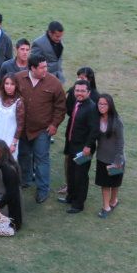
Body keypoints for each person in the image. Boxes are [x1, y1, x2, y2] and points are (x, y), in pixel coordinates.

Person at [13, 54, 66, 203]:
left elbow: (61, 106)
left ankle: (43, 189)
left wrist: (54, 124)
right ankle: (25, 180)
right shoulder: (18, 78)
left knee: (41, 159)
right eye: (42, 67)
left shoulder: (54, 83)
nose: (45, 70)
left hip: (42, 130)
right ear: (32, 68)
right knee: (24, 155)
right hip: (23, 128)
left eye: (46, 66)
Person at [59, 79, 99, 214]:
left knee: (80, 177)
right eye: (77, 90)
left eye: (82, 91)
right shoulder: (77, 103)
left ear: (89, 92)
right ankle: (70, 197)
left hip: (83, 149)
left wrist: (88, 147)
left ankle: (78, 204)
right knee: (71, 173)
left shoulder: (92, 107)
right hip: (72, 145)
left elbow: (95, 130)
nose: (79, 93)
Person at [94, 94, 124, 218]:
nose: (101, 106)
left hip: (115, 158)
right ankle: (106, 207)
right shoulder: (96, 118)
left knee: (115, 183)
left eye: (104, 104)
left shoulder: (117, 121)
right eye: (100, 103)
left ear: (110, 105)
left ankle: (114, 201)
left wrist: (118, 160)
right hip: (102, 157)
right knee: (105, 183)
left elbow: (120, 141)